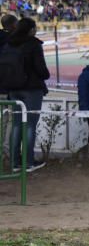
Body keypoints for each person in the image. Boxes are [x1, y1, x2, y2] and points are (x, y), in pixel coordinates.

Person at [2, 18, 50, 172]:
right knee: (29, 126)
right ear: (31, 29)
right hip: (31, 89)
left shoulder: (9, 44)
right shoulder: (34, 45)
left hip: (13, 88)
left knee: (16, 125)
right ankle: (29, 162)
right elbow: (41, 70)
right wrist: (45, 75)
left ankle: (15, 163)